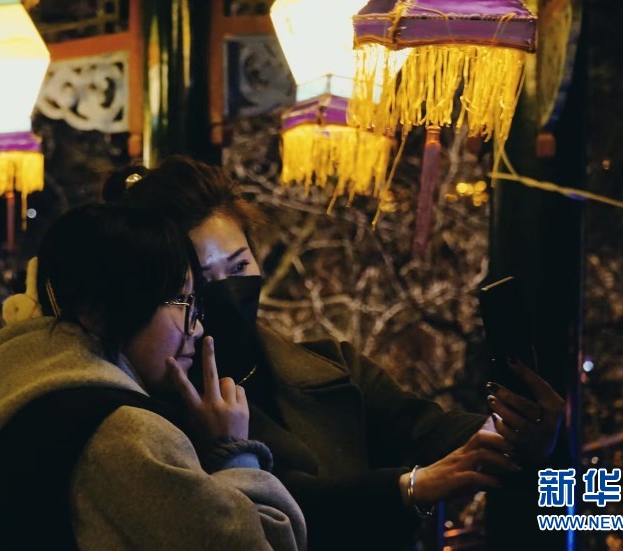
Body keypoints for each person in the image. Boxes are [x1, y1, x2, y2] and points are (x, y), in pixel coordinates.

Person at [105, 156, 565, 549]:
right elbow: (283, 510)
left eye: (240, 264)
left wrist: (512, 429)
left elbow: (424, 428)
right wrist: (410, 488)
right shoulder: (156, 409)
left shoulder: (330, 366)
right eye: (205, 279)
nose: (228, 289)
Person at [0, 204, 307, 550]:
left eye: (194, 304)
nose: (198, 327)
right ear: (97, 313)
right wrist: (234, 450)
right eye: (178, 300)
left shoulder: (19, 386)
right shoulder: (127, 435)